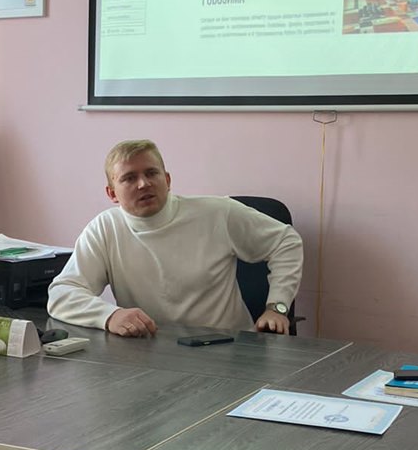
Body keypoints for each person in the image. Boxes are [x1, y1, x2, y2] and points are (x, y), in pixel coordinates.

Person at [47, 140, 303, 337]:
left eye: (151, 173)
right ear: (112, 193)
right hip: (152, 352)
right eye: (129, 178)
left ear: (167, 180)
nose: (143, 184)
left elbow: (286, 242)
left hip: (229, 348)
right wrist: (109, 316)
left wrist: (277, 307)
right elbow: (62, 294)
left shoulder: (217, 212)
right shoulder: (105, 228)